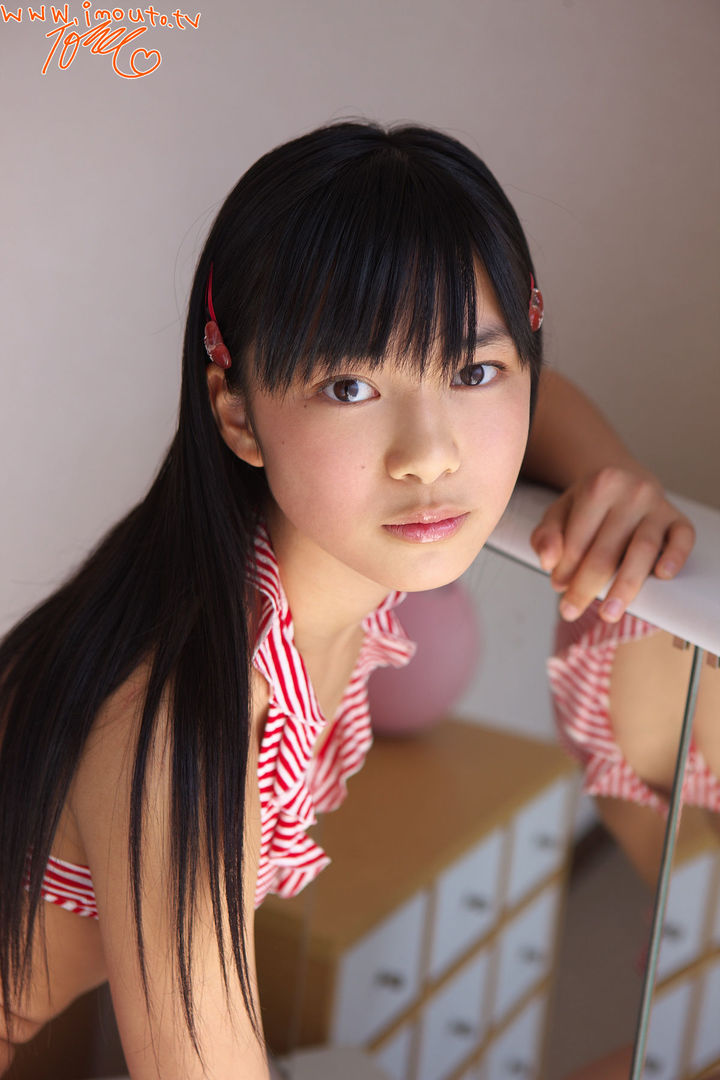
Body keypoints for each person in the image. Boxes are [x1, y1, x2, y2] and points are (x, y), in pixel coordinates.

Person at [0, 119, 696, 1078]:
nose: (431, 454)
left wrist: (613, 477)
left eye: (471, 371)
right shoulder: (184, 716)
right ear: (237, 413)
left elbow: (540, 397)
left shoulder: (276, 560)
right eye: (349, 386)